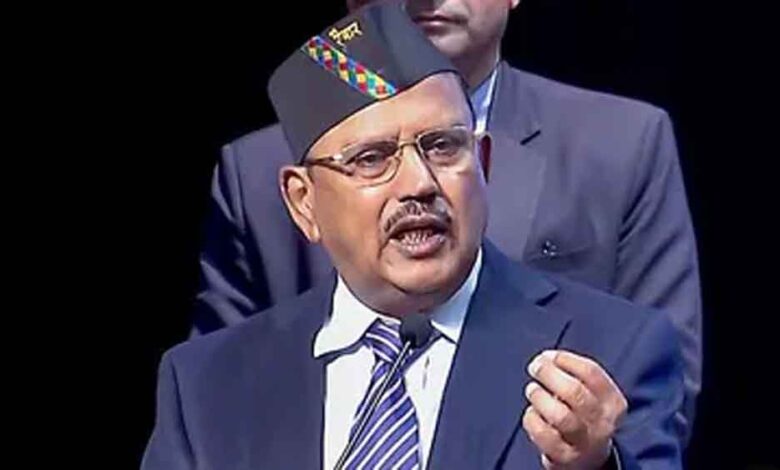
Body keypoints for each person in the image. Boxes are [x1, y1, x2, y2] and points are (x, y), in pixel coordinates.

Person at [145, 4, 685, 469]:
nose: (419, 184)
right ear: (304, 202)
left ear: (483, 163)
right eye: (371, 159)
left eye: (443, 147)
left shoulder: (609, 354)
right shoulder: (207, 387)